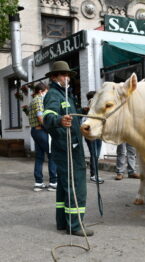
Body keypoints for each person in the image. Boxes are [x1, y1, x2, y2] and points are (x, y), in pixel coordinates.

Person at [43, 61, 93, 237]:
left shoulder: (66, 94)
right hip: (67, 148)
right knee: (76, 185)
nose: (67, 78)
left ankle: (63, 222)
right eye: (64, 75)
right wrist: (58, 121)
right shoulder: (53, 95)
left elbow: (69, 112)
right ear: (55, 77)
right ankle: (75, 225)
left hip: (70, 146)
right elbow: (48, 117)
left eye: (68, 75)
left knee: (65, 186)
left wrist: (81, 110)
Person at [28, 82, 57, 192]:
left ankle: (38, 183)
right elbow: (40, 118)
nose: (47, 94)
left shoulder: (32, 101)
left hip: (35, 131)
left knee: (39, 157)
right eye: (46, 92)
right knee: (52, 155)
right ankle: (53, 182)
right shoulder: (39, 100)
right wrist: (49, 129)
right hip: (41, 131)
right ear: (41, 91)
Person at [84, 91, 104, 184]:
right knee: (94, 154)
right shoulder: (90, 108)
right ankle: (93, 175)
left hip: (97, 133)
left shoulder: (96, 107)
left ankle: (95, 174)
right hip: (91, 133)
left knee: (96, 155)